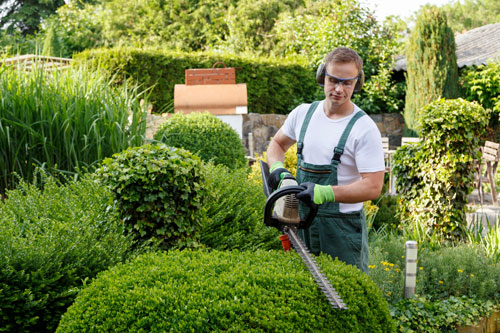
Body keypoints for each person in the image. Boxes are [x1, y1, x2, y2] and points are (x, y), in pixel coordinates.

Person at [266, 47, 385, 274]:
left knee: (348, 295)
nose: (338, 89)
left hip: (342, 230)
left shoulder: (363, 128)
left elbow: (373, 186)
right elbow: (277, 145)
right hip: (301, 223)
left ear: (357, 84)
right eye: (333, 80)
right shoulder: (303, 114)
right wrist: (279, 170)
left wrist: (325, 193)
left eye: (347, 83)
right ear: (323, 76)